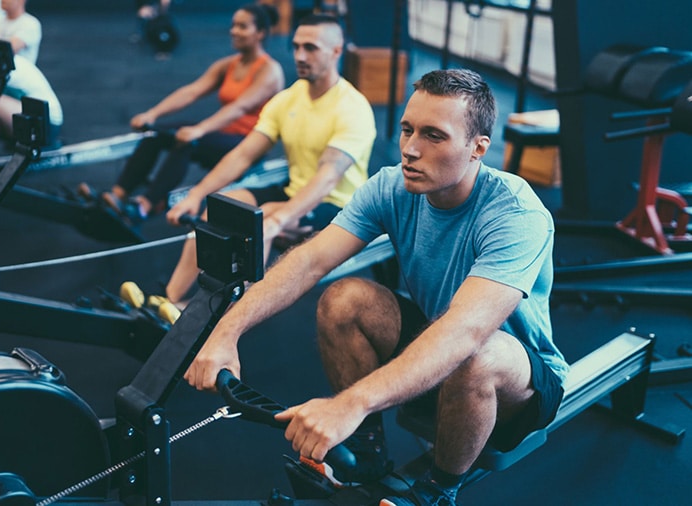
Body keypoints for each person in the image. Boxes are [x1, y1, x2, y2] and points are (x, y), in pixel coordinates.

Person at [183, 69, 569, 506]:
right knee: (344, 299)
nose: (410, 149)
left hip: (518, 380)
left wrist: (351, 403)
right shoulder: (392, 186)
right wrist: (225, 333)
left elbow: (465, 332)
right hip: (439, 345)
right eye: (407, 130)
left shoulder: (516, 215)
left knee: (475, 355)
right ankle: (368, 453)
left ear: (478, 148)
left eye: (433, 136)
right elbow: (309, 261)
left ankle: (439, 490)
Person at [161, 14, 375, 306]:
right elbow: (243, 154)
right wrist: (196, 195)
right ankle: (168, 301)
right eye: (296, 46)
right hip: (295, 190)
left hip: (340, 205)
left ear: (336, 51)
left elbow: (328, 177)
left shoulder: (353, 108)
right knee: (218, 209)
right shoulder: (288, 98)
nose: (299, 55)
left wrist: (283, 217)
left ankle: (232, 316)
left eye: (310, 48)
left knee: (262, 221)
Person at [93, 3, 285, 225]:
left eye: (242, 26)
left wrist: (199, 130)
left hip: (248, 144)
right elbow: (191, 91)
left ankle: (146, 205)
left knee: (186, 141)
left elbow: (239, 107)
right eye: (233, 25)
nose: (234, 31)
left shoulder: (269, 70)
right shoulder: (228, 65)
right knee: (157, 133)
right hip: (222, 135)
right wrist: (152, 114)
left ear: (260, 33)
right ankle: (118, 195)